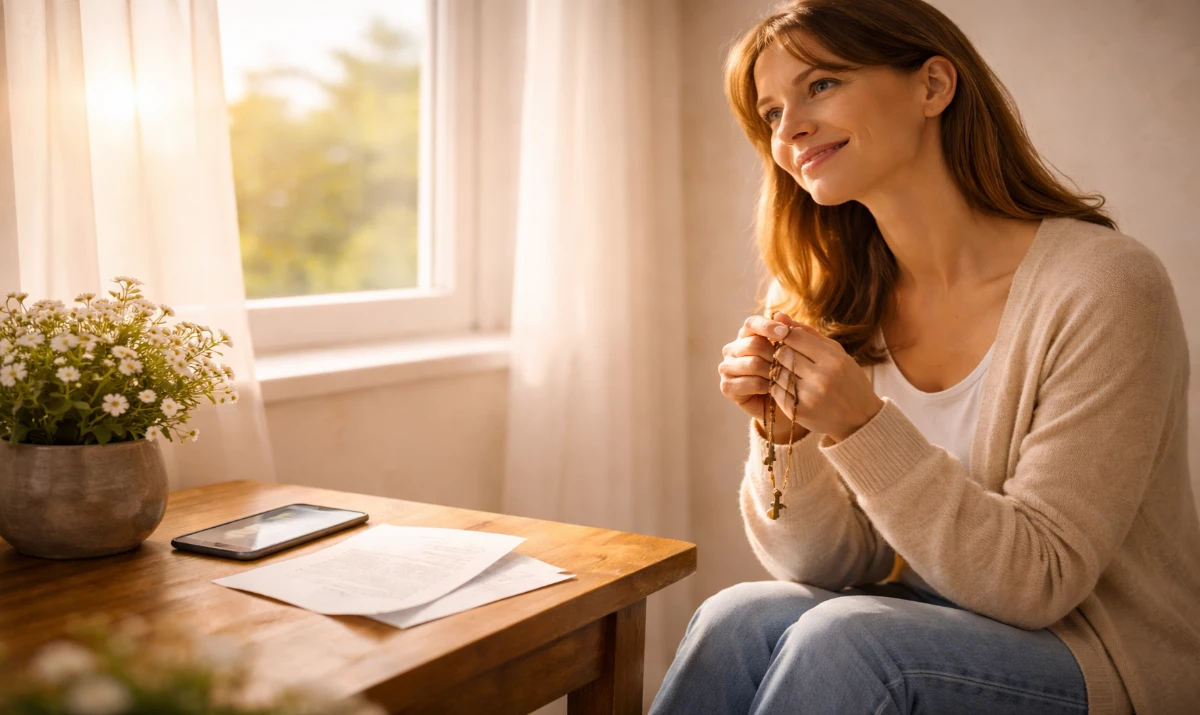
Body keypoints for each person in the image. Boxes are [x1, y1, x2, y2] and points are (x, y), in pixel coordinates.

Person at [648, 1, 1200, 714]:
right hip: (927, 624)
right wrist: (784, 440)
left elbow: (1041, 580)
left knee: (850, 641)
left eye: (820, 85)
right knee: (736, 616)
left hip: (1103, 655)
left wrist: (860, 425)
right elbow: (834, 565)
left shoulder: (1105, 286)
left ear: (933, 87)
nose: (791, 130)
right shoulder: (831, 292)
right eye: (772, 113)